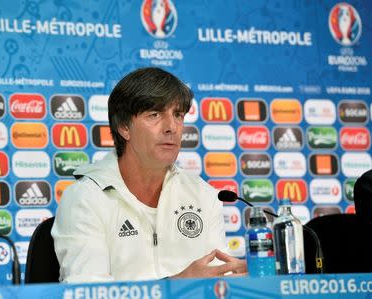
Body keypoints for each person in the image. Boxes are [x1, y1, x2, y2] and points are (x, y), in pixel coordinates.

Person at [51, 67, 247, 283]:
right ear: (124, 127)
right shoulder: (85, 199)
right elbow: (88, 294)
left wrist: (235, 281)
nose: (171, 127)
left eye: (177, 115)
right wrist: (175, 287)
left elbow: (218, 285)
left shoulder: (204, 195)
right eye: (154, 115)